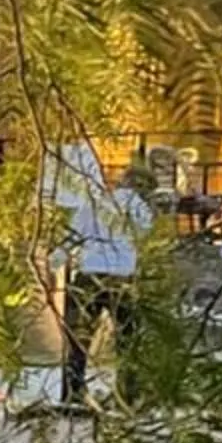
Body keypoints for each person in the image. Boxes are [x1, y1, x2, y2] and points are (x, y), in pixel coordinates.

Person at [56, 146, 154, 404]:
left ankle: (73, 393)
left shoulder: (93, 202)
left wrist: (58, 258)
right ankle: (127, 395)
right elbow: (145, 235)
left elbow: (70, 235)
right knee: (127, 339)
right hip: (122, 277)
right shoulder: (141, 209)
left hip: (89, 273)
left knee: (79, 340)